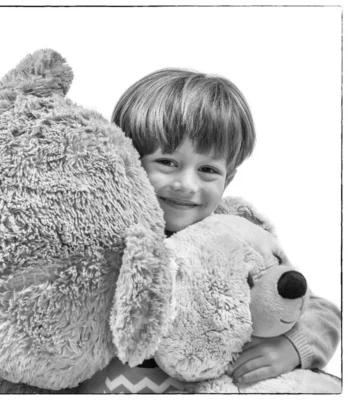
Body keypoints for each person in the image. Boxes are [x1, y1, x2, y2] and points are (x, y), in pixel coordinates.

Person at [111, 68, 340, 385]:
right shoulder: (109, 230)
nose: (187, 184)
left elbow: (320, 310)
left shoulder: (235, 231)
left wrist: (292, 347)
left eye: (207, 169)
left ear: (228, 178)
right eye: (167, 162)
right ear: (129, 159)